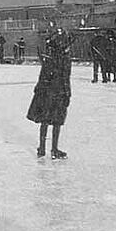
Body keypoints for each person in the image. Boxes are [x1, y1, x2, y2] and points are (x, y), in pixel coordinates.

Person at [26, 28, 73, 159]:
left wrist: (39, 89)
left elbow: (43, 76)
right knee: (57, 120)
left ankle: (42, 148)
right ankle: (54, 149)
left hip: (47, 92)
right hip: (59, 92)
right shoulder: (65, 60)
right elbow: (65, 78)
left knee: (45, 120)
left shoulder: (48, 59)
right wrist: (68, 93)